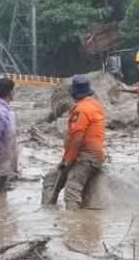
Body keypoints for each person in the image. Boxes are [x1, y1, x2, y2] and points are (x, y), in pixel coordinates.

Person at [41, 76, 105, 209]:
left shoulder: (81, 110)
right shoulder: (95, 105)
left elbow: (77, 138)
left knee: (71, 192)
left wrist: (67, 161)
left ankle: (72, 218)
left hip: (84, 158)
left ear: (73, 94)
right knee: (52, 178)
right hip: (88, 156)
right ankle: (49, 210)